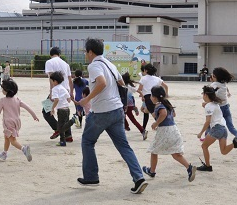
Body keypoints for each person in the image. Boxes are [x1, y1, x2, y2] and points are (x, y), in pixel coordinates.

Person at [75, 38, 148, 194]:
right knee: (124, 146)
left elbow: (102, 83)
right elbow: (121, 83)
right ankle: (139, 178)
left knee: (87, 141)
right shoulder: (110, 64)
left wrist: (87, 99)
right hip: (117, 110)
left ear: (90, 52)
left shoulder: (94, 65)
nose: (86, 54)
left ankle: (91, 176)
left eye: (86, 52)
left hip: (101, 111)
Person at [142, 86, 197, 182]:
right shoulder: (167, 103)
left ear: (154, 97)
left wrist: (156, 123)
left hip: (165, 131)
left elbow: (163, 113)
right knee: (175, 153)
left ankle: (152, 171)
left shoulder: (159, 105)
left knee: (154, 150)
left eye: (151, 95)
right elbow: (173, 114)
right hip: (174, 130)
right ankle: (189, 167)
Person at [197, 85, 237, 172]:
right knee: (223, 151)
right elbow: (210, 106)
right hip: (224, 129)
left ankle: (208, 166)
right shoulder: (215, 104)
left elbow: (208, 121)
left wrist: (201, 133)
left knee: (204, 146)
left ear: (205, 95)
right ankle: (235, 144)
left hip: (217, 129)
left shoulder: (209, 106)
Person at [0, 78, 38, 161]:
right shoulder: (17, 100)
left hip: (8, 123)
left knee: (12, 140)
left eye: (3, 89)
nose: (2, 90)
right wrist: (34, 116)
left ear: (6, 90)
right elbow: (27, 107)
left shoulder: (2, 100)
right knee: (7, 137)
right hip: (17, 122)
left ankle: (23, 149)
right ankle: (4, 153)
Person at [208, 67, 237, 152]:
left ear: (215, 76)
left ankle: (206, 136)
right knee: (230, 126)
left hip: (219, 109)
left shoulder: (214, 85)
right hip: (226, 107)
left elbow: (210, 95)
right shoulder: (224, 84)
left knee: (210, 123)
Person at [44, 47, 74, 141]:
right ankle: (68, 136)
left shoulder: (49, 62)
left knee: (46, 111)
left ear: (50, 54)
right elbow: (70, 79)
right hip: (65, 90)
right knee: (64, 112)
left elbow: (51, 78)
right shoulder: (66, 64)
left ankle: (58, 129)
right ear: (59, 54)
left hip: (56, 90)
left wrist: (51, 92)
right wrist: (71, 92)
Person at [137, 63, 167, 141]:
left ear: (146, 70)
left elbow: (139, 89)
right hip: (157, 97)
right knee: (146, 111)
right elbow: (166, 86)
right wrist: (165, 95)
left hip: (148, 98)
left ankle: (163, 128)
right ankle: (143, 128)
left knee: (155, 115)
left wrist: (142, 96)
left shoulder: (143, 78)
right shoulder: (157, 78)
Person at [49, 71, 76, 146]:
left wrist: (52, 108)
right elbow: (69, 99)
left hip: (61, 110)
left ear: (55, 81)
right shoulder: (63, 88)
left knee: (60, 128)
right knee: (62, 126)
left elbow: (56, 99)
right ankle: (62, 141)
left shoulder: (55, 89)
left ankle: (73, 120)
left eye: (52, 81)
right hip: (67, 109)